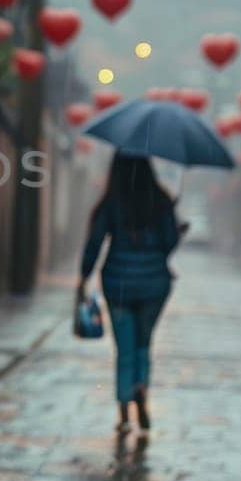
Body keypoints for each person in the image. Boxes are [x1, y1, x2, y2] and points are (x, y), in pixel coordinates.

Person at [79, 153, 183, 434]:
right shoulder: (161, 201)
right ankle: (141, 389)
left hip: (119, 284)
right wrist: (175, 225)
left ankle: (124, 412)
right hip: (154, 285)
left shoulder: (112, 201)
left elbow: (95, 242)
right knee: (143, 344)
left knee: (124, 348)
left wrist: (84, 275)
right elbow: (169, 243)